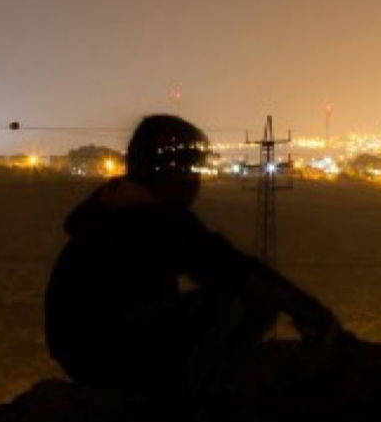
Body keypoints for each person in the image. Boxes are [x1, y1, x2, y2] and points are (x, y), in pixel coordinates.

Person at [45, 114, 345, 393]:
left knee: (243, 299)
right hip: (103, 351)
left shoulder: (113, 208)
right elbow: (232, 269)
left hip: (84, 352)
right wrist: (313, 314)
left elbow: (224, 264)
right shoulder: (154, 220)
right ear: (168, 171)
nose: (196, 181)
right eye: (191, 169)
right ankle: (195, 395)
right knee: (225, 305)